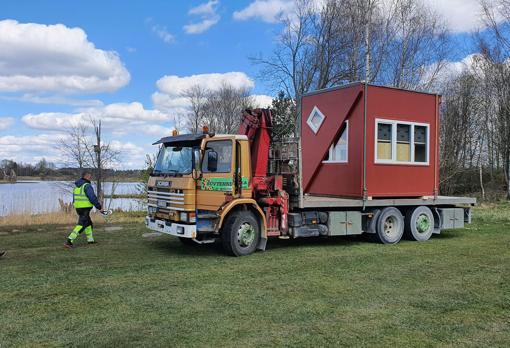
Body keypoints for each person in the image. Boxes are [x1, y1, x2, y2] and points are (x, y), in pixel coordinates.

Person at [64, 171, 102, 249]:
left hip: (79, 208)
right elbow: (92, 198)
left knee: (88, 223)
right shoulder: (87, 186)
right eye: (90, 176)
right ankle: (69, 241)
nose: (91, 178)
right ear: (86, 176)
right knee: (81, 225)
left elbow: (74, 198)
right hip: (85, 209)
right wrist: (99, 207)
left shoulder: (77, 186)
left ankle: (90, 240)